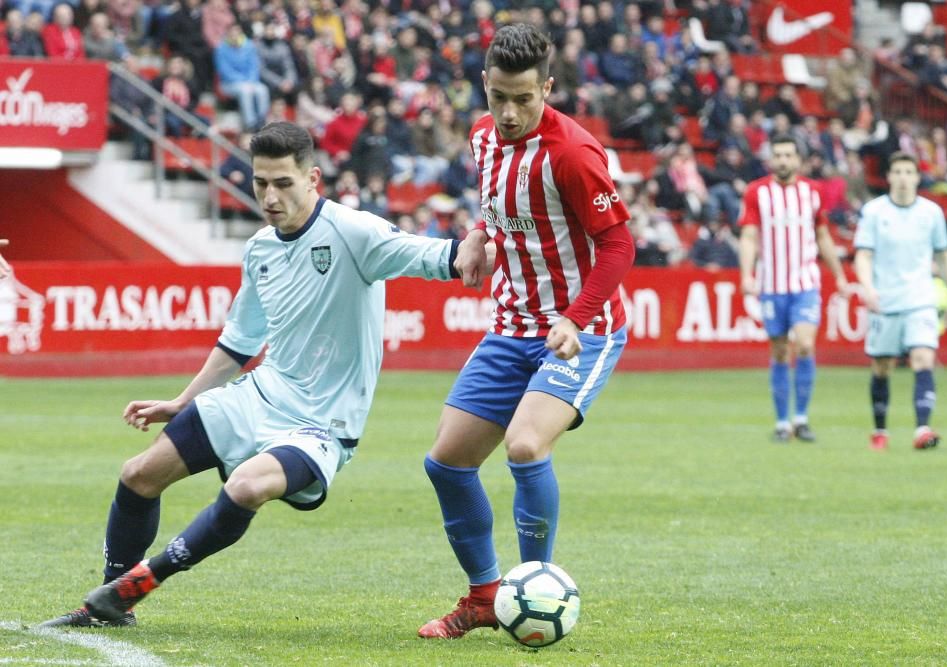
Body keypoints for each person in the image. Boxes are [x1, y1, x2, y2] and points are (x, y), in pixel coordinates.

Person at [39, 122, 480, 628]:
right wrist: (182, 401)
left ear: (313, 177)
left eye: (283, 183)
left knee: (247, 487)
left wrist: (474, 244)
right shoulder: (260, 249)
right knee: (138, 474)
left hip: (322, 426)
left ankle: (142, 580)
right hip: (262, 395)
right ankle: (107, 605)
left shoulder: (354, 232)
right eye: (260, 183)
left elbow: (435, 256)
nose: (270, 196)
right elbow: (239, 343)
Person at [417, 23, 634, 640]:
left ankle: (535, 583)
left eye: (524, 99)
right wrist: (480, 237)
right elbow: (492, 204)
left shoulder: (574, 153)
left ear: (548, 87)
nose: (509, 114)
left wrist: (575, 316)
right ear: (484, 86)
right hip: (511, 325)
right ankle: (486, 598)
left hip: (582, 330)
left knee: (525, 446)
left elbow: (618, 245)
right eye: (498, 98)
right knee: (447, 463)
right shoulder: (484, 137)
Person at [738, 136, 849, 443]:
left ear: (798, 160)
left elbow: (823, 235)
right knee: (778, 349)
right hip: (772, 285)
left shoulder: (813, 192)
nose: (783, 160)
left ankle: (801, 418)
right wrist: (746, 274)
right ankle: (781, 422)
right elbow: (748, 237)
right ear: (771, 160)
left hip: (805, 283)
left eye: (788, 155)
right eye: (778, 155)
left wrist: (838, 274)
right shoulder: (756, 192)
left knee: (804, 344)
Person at [854, 152, 947, 452]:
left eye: (908, 172)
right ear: (889, 177)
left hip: (920, 298)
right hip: (885, 300)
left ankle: (922, 429)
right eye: (897, 171)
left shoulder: (931, 213)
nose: (902, 177)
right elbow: (863, 254)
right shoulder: (874, 212)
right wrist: (867, 287)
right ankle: (880, 431)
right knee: (882, 366)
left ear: (917, 177)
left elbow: (943, 255)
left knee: (923, 358)